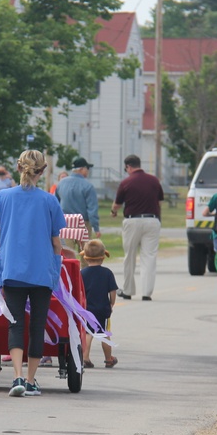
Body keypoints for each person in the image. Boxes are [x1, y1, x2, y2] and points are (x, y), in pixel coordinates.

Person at [0, 150, 67, 397]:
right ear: (41, 172)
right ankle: (31, 379)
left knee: (15, 322)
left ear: (19, 168)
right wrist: (58, 259)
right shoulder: (49, 201)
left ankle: (17, 376)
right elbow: (56, 242)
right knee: (38, 324)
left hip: (12, 269)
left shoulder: (2, 197)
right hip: (41, 270)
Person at [110, 155, 164, 301]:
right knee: (149, 257)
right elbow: (159, 202)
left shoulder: (126, 182)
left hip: (132, 220)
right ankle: (147, 293)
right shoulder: (154, 181)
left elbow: (117, 204)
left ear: (128, 166)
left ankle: (128, 290)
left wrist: (113, 212)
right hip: (152, 220)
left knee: (130, 256)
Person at [80, 239, 118, 368]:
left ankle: (85, 357)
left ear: (85, 258)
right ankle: (108, 359)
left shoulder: (82, 273)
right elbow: (112, 291)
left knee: (88, 333)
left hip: (87, 309)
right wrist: (112, 303)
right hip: (103, 309)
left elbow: (80, 292)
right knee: (104, 334)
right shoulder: (107, 273)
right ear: (103, 258)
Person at [56, 157, 101, 259]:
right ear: (81, 169)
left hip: (65, 222)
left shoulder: (61, 183)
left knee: (68, 254)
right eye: (87, 169)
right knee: (86, 254)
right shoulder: (88, 186)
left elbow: (56, 204)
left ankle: (71, 274)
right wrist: (96, 227)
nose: (88, 171)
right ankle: (84, 274)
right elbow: (92, 209)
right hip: (83, 223)